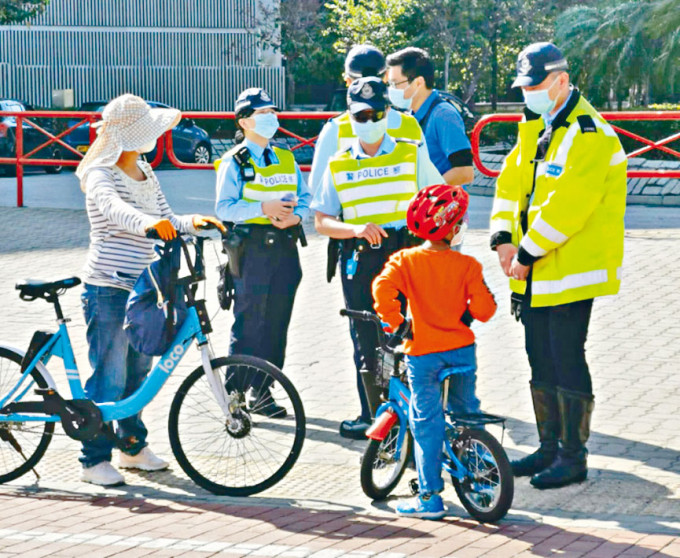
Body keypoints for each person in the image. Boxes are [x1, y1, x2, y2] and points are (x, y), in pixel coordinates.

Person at [490, 42, 627, 489]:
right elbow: (511, 186)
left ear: (561, 81)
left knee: (566, 355)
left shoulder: (589, 133)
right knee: (539, 355)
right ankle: (550, 448)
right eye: (524, 86)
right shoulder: (538, 127)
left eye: (534, 85)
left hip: (569, 270)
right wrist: (503, 240)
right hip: (534, 270)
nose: (527, 93)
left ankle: (573, 456)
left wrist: (526, 253)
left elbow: (569, 207)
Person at [75, 93, 224, 487]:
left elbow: (167, 217)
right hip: (108, 286)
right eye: (146, 133)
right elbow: (114, 210)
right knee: (109, 373)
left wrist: (195, 221)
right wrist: (146, 225)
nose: (153, 139)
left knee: (138, 372)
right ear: (125, 135)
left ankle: (132, 446)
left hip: (147, 285)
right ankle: (93, 459)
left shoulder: (145, 170)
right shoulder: (100, 173)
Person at [312, 76, 443, 439]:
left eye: (377, 113)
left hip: (405, 253)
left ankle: (414, 415)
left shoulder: (410, 151)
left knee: (407, 333)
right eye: (362, 115)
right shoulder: (338, 164)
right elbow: (322, 221)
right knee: (365, 336)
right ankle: (377, 418)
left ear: (389, 112)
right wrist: (354, 229)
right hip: (360, 255)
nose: (369, 121)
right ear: (350, 116)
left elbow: (436, 197)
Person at [372, 184, 497, 519]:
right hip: (461, 351)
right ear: (454, 229)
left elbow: (382, 288)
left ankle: (429, 497)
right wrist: (466, 312)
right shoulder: (467, 265)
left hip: (423, 353)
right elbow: (485, 310)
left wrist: (398, 322)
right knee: (467, 411)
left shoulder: (405, 260)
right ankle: (482, 474)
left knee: (427, 424)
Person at [215, 87, 311, 417]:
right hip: (252, 249)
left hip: (285, 247)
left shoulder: (286, 158)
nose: (271, 118)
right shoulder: (234, 161)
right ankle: (236, 392)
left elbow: (306, 196)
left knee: (276, 322)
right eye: (263, 113)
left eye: (272, 112)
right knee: (249, 322)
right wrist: (263, 207)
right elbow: (224, 207)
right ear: (244, 122)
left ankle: (264, 390)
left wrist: (297, 217)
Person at [309, 44, 428, 192]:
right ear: (385, 77)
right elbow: (427, 187)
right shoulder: (411, 126)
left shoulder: (335, 130)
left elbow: (317, 191)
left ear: (348, 81)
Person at [386, 47, 474, 186]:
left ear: (418, 82)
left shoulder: (444, 115)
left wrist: (424, 192)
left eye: (395, 84)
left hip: (439, 205)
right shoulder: (411, 115)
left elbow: (464, 172)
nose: (391, 90)